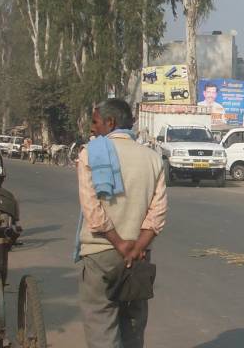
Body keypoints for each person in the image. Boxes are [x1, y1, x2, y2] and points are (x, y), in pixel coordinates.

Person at [76, 98, 167, 348]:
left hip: (100, 254)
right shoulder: (152, 158)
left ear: (110, 122)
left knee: (101, 328)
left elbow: (92, 211)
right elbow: (157, 214)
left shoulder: (89, 154)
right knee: (133, 329)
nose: (92, 127)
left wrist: (119, 243)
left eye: (95, 122)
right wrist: (137, 247)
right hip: (138, 257)